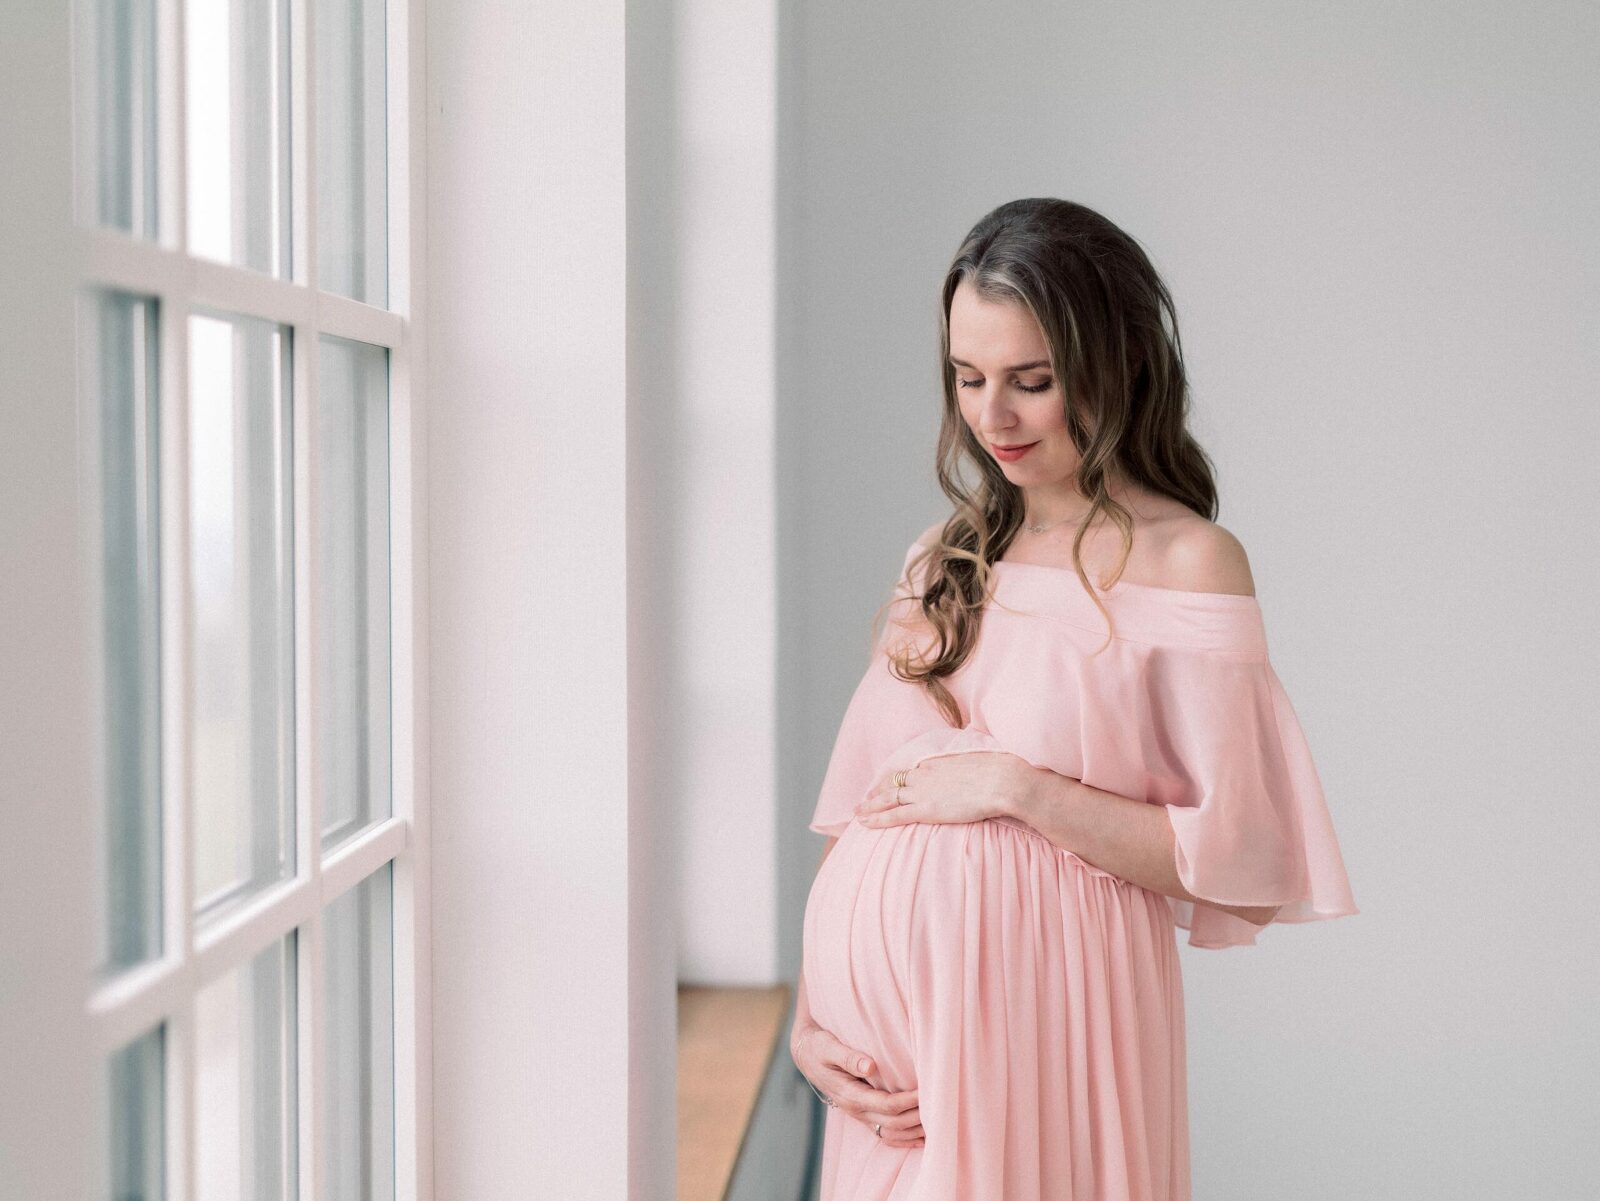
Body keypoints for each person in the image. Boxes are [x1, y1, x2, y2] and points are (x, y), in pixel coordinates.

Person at [788, 197, 1359, 1200]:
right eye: (967, 379)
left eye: (1031, 382)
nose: (991, 417)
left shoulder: (1189, 563)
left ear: (1116, 367)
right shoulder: (943, 553)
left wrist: (1018, 787)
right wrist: (811, 1018)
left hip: (1050, 1027)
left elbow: (1244, 866)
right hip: (887, 1083)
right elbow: (859, 813)